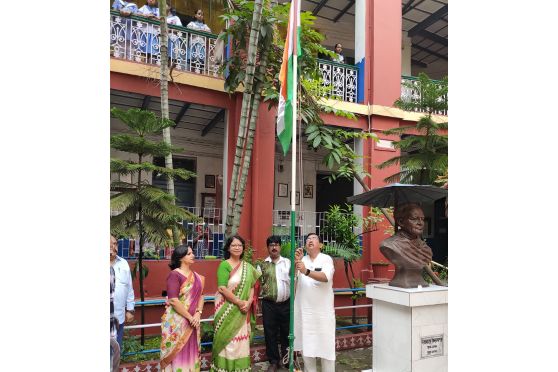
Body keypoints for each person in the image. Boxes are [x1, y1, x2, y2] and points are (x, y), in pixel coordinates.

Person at [211, 235, 261, 372]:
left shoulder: (248, 267)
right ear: (228, 248)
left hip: (242, 310)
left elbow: (252, 286)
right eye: (234, 245)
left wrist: (248, 303)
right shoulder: (224, 265)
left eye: (240, 245)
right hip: (226, 310)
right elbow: (222, 288)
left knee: (240, 342)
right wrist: (239, 302)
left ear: (243, 248)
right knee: (228, 341)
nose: (237, 247)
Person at [293, 233, 336, 372]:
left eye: (313, 238)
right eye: (307, 239)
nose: (310, 240)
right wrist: (296, 265)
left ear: (321, 244)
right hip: (305, 313)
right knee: (307, 349)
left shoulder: (326, 259)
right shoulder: (302, 260)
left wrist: (305, 271)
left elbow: (325, 277)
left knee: (326, 349)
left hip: (322, 314)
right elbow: (294, 287)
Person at [160, 245, 205, 371]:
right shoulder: (174, 275)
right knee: (176, 352)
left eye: (192, 253)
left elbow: (202, 296)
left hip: (193, 322)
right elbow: (173, 300)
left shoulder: (197, 277)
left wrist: (198, 313)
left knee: (191, 351)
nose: (193, 255)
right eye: (189, 254)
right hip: (177, 322)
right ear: (180, 257)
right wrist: (190, 317)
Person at [257, 236, 291, 372]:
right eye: (271, 245)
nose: (274, 247)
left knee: (286, 332)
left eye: (276, 244)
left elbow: (295, 279)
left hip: (286, 303)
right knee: (270, 333)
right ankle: (273, 361)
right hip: (269, 304)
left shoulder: (288, 263)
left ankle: (287, 359)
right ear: (268, 248)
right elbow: (256, 284)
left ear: (280, 247)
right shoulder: (262, 265)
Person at [379, 203, 433, 288]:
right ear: (401, 222)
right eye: (414, 219)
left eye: (422, 219)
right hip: (402, 282)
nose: (420, 223)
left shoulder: (426, 249)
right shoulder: (389, 245)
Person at [110, 235, 136, 350]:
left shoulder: (124, 263)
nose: (112, 247)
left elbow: (129, 288)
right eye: (109, 244)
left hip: (117, 318)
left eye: (115, 244)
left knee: (115, 352)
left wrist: (130, 310)